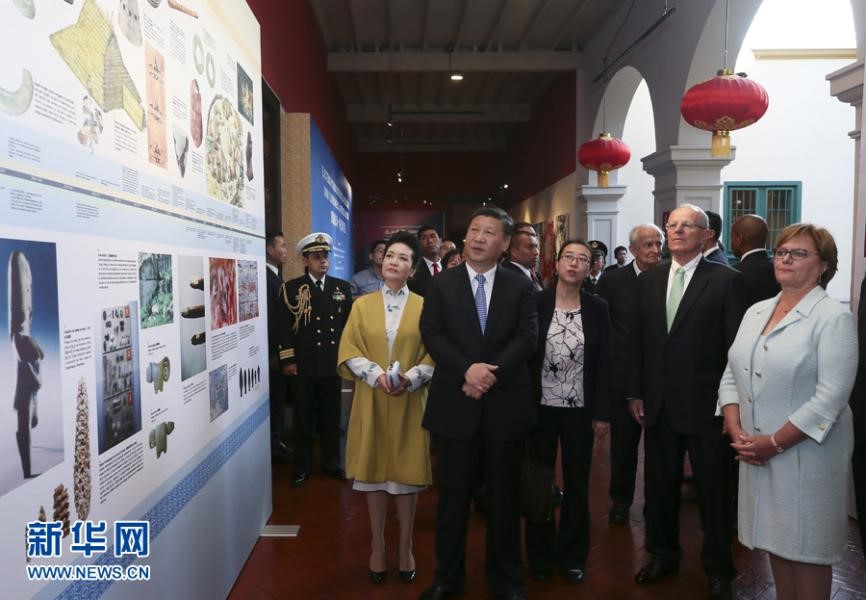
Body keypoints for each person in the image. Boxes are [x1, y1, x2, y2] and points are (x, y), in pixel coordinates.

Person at [719, 224, 857, 600]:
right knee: (777, 543)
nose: (786, 259)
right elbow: (733, 371)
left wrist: (774, 443)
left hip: (807, 456)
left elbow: (831, 397)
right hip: (757, 451)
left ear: (824, 266)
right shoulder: (757, 311)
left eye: (799, 253)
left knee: (807, 551)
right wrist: (735, 428)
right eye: (782, 251)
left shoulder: (832, 318)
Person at [627, 204, 746, 599]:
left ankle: (717, 568)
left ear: (705, 235)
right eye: (672, 225)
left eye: (687, 226)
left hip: (708, 405)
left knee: (714, 492)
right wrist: (636, 391)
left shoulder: (727, 281)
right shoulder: (649, 280)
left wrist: (732, 404)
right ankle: (662, 555)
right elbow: (639, 341)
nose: (676, 232)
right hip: (658, 404)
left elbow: (735, 349)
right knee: (659, 487)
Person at [419, 206, 538, 600]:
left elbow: (525, 339)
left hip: (504, 407)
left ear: (504, 244)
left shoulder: (519, 286)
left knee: (504, 500)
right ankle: (446, 580)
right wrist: (466, 371)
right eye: (474, 230)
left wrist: (489, 375)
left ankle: (505, 579)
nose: (479, 238)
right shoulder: (442, 283)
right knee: (452, 501)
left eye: (489, 232)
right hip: (456, 405)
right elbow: (432, 334)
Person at [337, 231, 434, 585]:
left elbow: (435, 353)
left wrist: (412, 377)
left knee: (406, 477)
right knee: (374, 474)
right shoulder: (361, 305)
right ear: (380, 261)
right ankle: (377, 545)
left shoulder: (425, 306)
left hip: (410, 400)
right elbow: (349, 349)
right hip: (372, 398)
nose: (394, 261)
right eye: (390, 255)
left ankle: (406, 546)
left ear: (414, 267)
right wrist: (377, 375)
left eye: (403, 258)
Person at [525, 240, 611, 584]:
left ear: (589, 268)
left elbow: (605, 363)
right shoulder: (536, 303)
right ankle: (541, 555)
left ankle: (573, 555)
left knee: (577, 483)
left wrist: (602, 412)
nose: (574, 264)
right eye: (569, 257)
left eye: (583, 260)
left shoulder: (597, 307)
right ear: (556, 263)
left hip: (580, 408)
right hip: (540, 408)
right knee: (539, 483)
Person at [596, 224, 664, 525]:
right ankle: (620, 501)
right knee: (623, 448)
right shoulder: (612, 281)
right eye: (647, 245)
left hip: (660, 376)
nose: (654, 250)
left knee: (659, 447)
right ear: (633, 249)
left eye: (658, 244)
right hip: (622, 377)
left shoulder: (670, 277)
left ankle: (655, 504)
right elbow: (603, 328)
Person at [282, 232, 353, 487]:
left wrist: (347, 358)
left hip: (331, 365)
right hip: (304, 366)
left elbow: (348, 327)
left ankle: (332, 463)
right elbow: (283, 328)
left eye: (325, 256)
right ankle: (302, 467)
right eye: (317, 257)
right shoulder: (291, 289)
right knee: (303, 420)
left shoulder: (341, 288)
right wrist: (288, 360)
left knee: (331, 419)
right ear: (305, 260)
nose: (323, 261)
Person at [265, 231, 294, 463]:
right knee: (274, 399)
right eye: (282, 246)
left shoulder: (275, 275)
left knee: (279, 399)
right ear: (269, 249)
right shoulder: (266, 277)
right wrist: (274, 353)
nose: (285, 250)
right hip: (273, 354)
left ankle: (277, 440)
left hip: (279, 352)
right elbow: (271, 320)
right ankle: (273, 445)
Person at [730, 215, 780, 306]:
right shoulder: (779, 268)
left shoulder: (734, 274)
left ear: (740, 239)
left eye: (731, 237)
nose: (731, 243)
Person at [409, 225, 442, 296]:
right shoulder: (413, 269)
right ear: (419, 244)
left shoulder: (449, 265)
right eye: (424, 238)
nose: (429, 241)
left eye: (433, 236)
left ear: (440, 241)